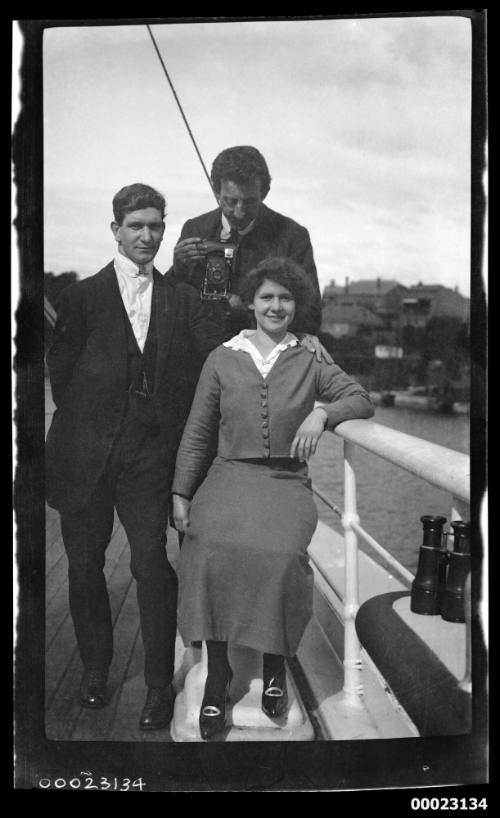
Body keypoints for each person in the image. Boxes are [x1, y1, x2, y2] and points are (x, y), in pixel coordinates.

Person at [45, 183, 224, 731]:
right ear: (116, 230)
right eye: (136, 225)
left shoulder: (184, 300)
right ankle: (95, 672)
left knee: (151, 565)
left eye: (155, 225)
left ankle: (154, 687)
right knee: (82, 566)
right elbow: (62, 377)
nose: (147, 235)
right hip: (84, 454)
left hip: (149, 455)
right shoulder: (79, 300)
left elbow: (215, 356)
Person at [171, 257, 374, 740]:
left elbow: (362, 398)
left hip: (285, 483)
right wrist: (181, 493)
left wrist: (321, 413)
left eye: (285, 298)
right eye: (267, 297)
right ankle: (217, 674)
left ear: (296, 305)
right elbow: (198, 434)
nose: (276, 306)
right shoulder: (222, 357)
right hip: (228, 477)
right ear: (250, 302)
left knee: (282, 557)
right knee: (207, 547)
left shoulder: (310, 357)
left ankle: (276, 665)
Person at [170, 145, 323, 342]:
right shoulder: (195, 229)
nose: (240, 212)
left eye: (250, 202)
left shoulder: (293, 236)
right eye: (230, 201)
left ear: (265, 192)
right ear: (216, 191)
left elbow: (311, 314)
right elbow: (177, 303)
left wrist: (250, 309)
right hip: (203, 356)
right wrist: (179, 268)